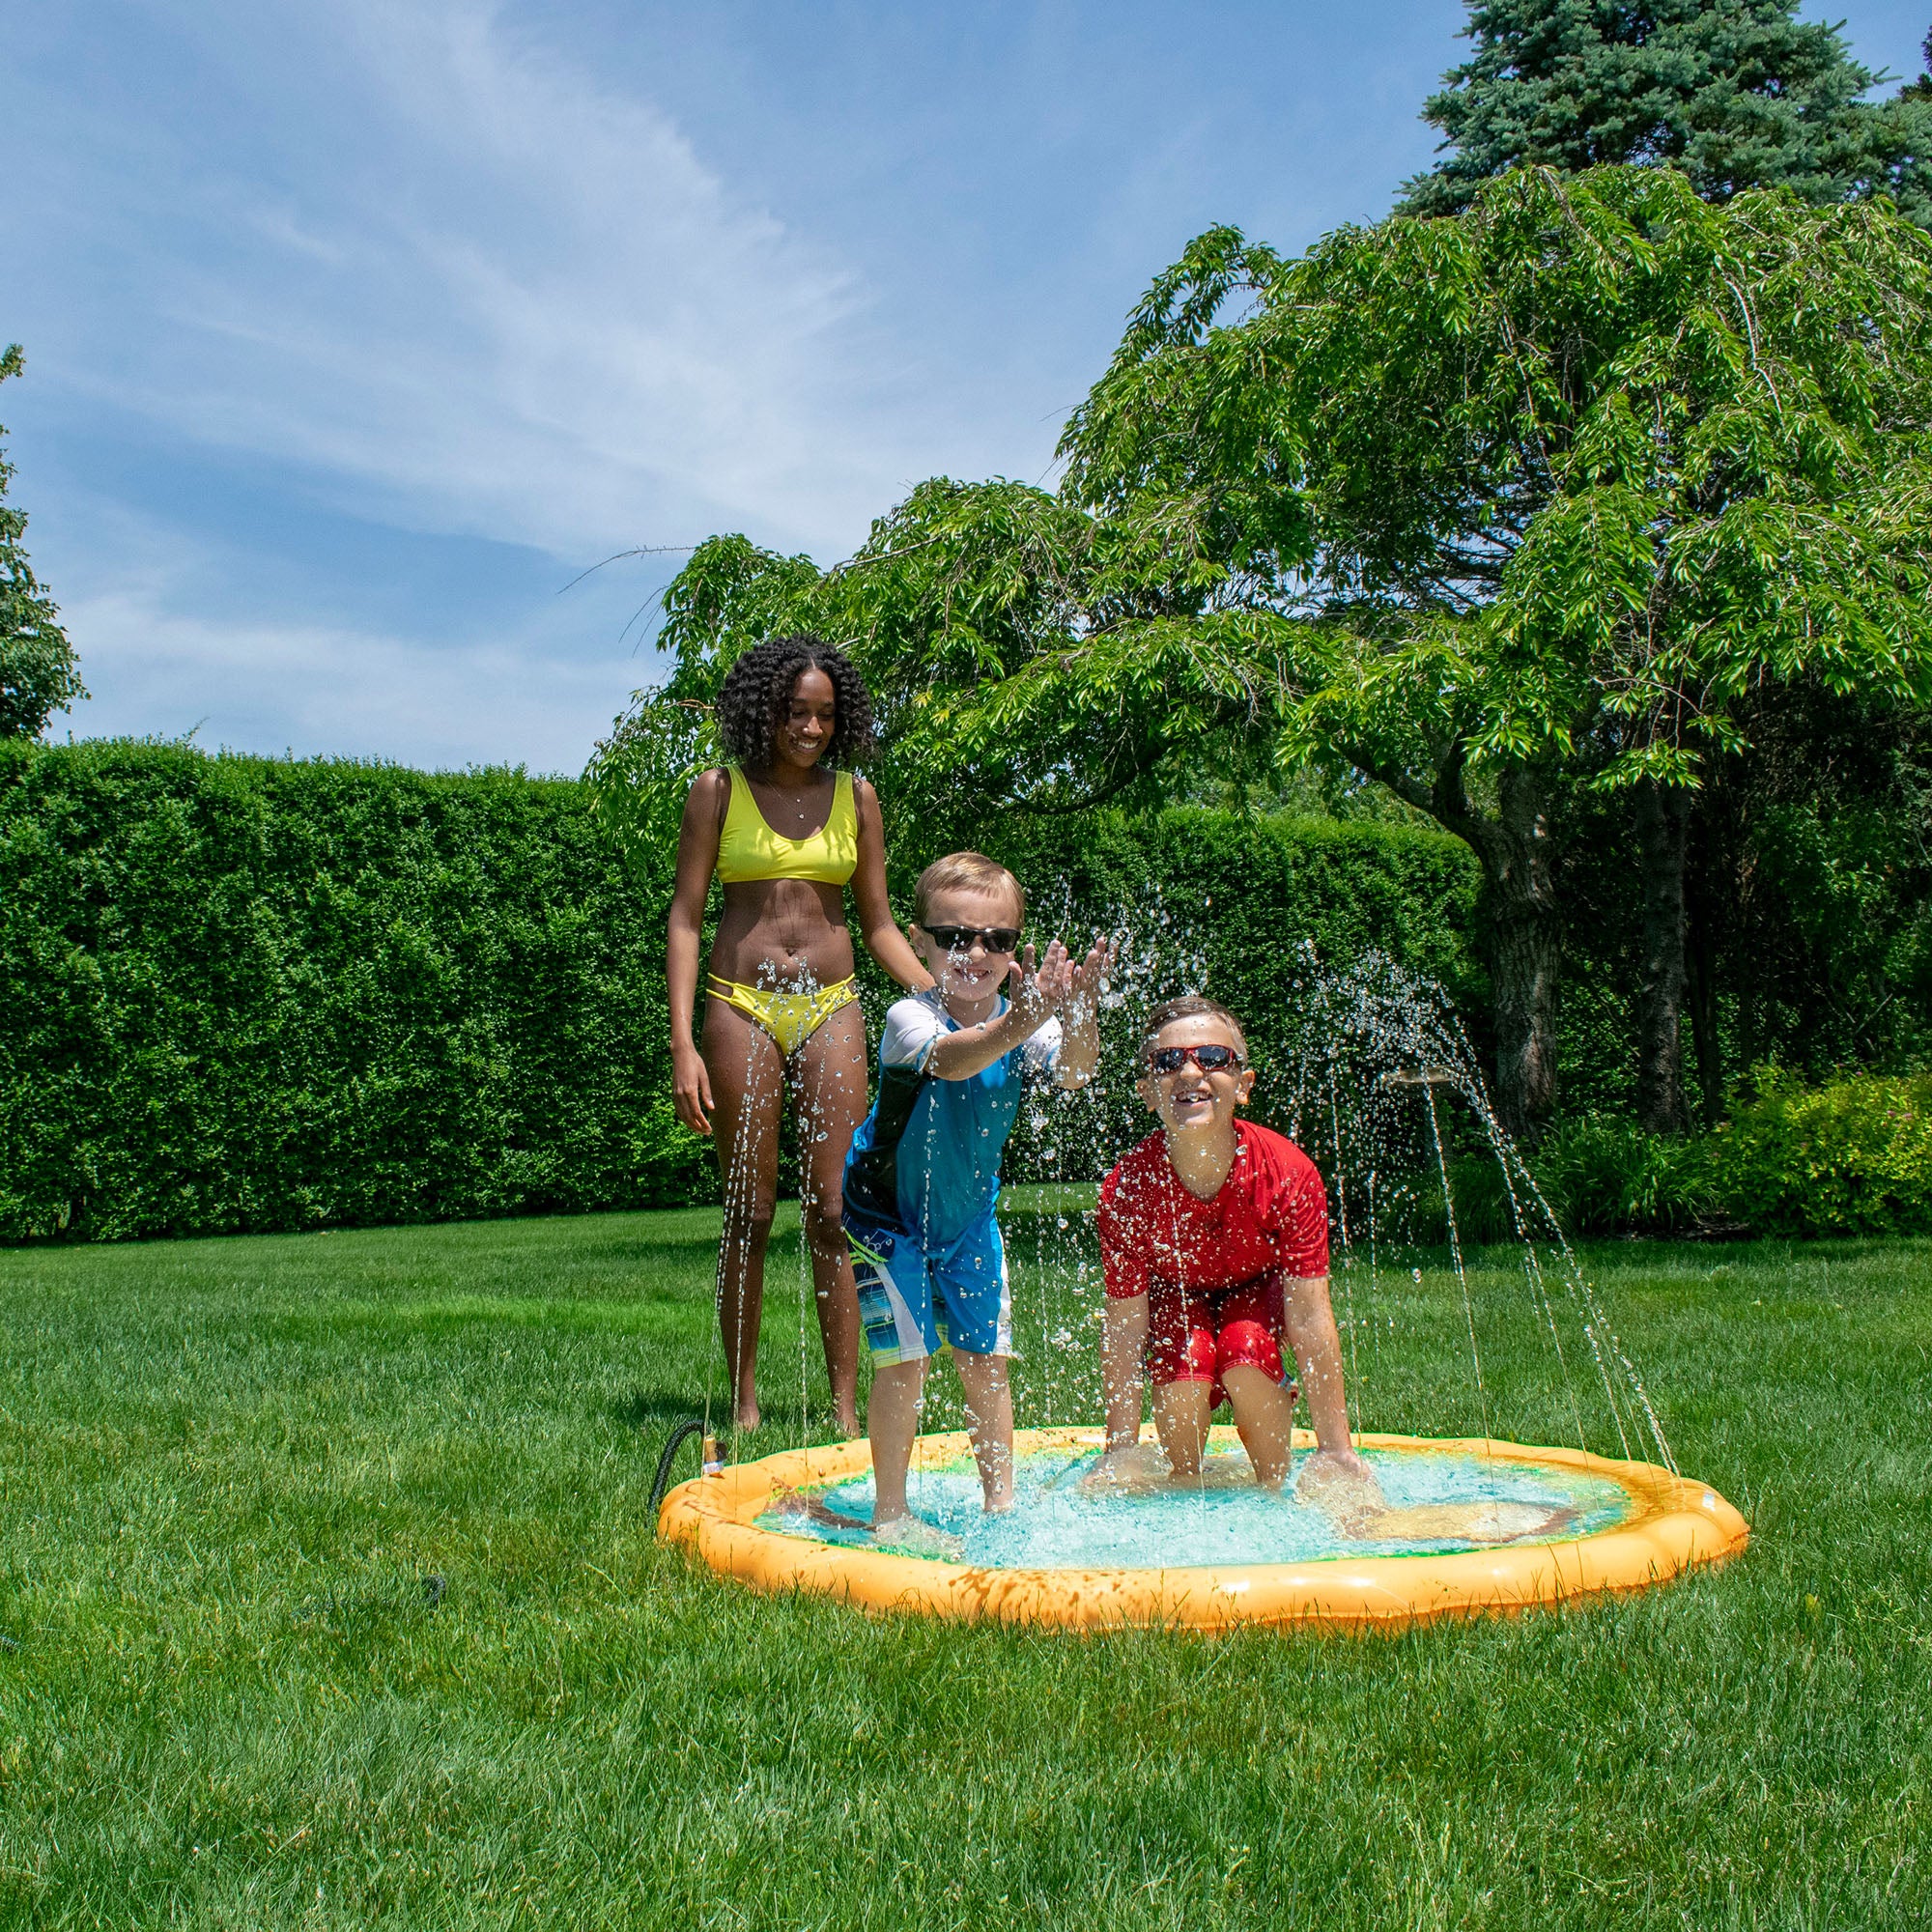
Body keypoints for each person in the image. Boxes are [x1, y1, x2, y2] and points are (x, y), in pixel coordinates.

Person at [667, 636, 932, 1437]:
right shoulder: (718, 791)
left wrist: (940, 996)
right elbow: (685, 919)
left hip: (832, 1005)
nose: (809, 728)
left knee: (834, 1209)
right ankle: (744, 1404)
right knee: (748, 1209)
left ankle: (847, 1409)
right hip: (738, 1002)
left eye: (823, 714)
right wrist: (682, 1044)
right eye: (794, 712)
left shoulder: (858, 798)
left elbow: (880, 924)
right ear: (763, 711)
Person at [842, 853, 1109, 1552]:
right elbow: (960, 1058)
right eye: (956, 936)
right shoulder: (909, 1016)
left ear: (1015, 950)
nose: (976, 953)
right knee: (905, 1361)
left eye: (996, 939)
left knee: (985, 1361)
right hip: (884, 1219)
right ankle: (891, 1513)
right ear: (921, 942)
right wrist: (1028, 1017)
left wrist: (1078, 1012)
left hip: (968, 1223)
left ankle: (1001, 1507)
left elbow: (1077, 1073)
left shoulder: (1022, 1021)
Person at [1093, 995, 1380, 1509]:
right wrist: (1120, 1449)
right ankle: (1183, 1489)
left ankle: (1272, 1490)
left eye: (1213, 1058)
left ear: (1243, 1086)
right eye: (1167, 1061)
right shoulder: (1127, 1188)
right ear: (1146, 1092)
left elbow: (1310, 1316)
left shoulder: (1288, 1173)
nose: (1189, 1071)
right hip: (1176, 1300)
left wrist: (1338, 1451)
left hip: (1257, 1297)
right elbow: (1126, 1325)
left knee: (1246, 1345)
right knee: (1188, 1355)